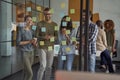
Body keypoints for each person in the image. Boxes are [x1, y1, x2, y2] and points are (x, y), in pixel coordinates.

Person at [36, 7, 58, 80]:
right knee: (43, 66)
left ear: (51, 14)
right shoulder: (39, 24)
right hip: (42, 47)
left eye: (48, 14)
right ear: (44, 14)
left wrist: (51, 37)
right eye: (45, 14)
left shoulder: (55, 24)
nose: (47, 16)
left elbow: (56, 36)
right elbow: (36, 35)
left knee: (49, 67)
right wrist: (44, 37)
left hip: (50, 48)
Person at [16, 15, 37, 80]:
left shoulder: (32, 31)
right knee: (30, 73)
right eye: (28, 20)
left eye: (31, 20)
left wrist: (35, 43)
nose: (30, 21)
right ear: (25, 21)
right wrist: (29, 41)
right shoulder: (21, 30)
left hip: (31, 52)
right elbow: (18, 43)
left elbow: (34, 42)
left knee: (26, 71)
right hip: (24, 53)